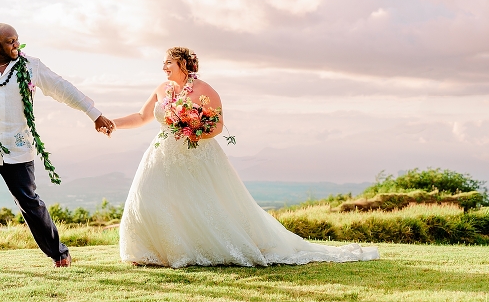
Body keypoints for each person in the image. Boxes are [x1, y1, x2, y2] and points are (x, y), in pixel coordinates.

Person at [107, 47, 379, 268]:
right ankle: (149, 251)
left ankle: (195, 248)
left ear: (185, 64)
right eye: (164, 63)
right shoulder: (161, 89)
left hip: (195, 155)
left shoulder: (205, 91)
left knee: (204, 204)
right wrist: (112, 124)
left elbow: (216, 126)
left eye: (169, 62)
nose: (164, 67)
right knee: (148, 197)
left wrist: (193, 131)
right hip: (161, 153)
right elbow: (142, 117)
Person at [0, 23, 115, 274]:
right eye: (10, 41)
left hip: (17, 148)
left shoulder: (30, 66)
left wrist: (94, 113)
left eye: (17, 40)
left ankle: (59, 253)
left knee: (30, 204)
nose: (16, 44)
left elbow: (62, 88)